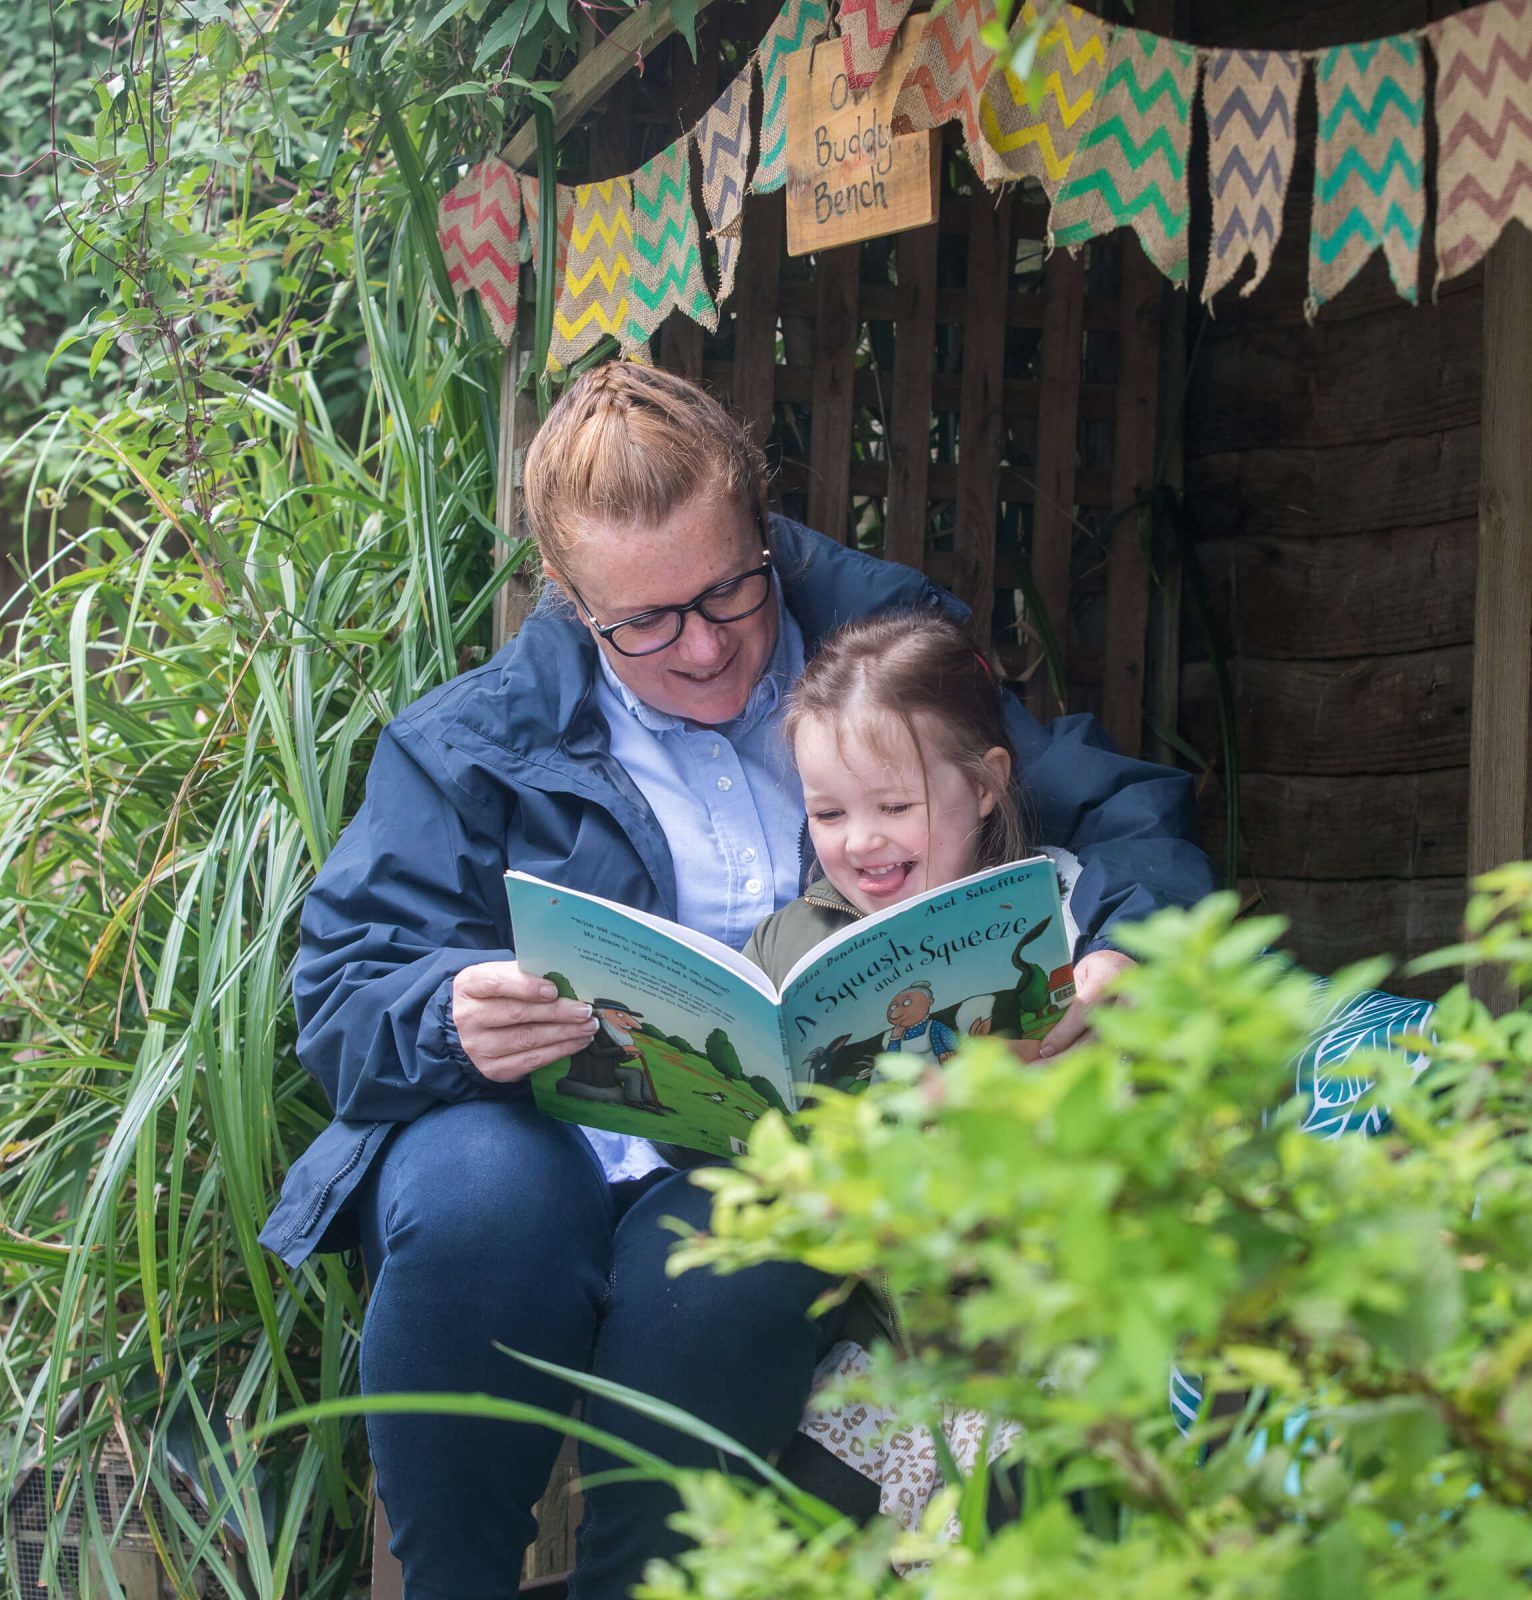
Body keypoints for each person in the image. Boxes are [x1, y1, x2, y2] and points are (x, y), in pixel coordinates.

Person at [257, 363, 1212, 1600]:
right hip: (530, 1126)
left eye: (727, 591)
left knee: (735, 1255)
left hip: (756, 1149)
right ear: (568, 596)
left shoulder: (876, 664)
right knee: (479, 1208)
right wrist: (447, 1011)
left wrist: (1126, 949)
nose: (703, 646)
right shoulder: (474, 741)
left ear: (763, 527)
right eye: (645, 623)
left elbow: (1118, 812)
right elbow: (342, 988)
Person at [744, 609, 1084, 1534]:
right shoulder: (789, 944)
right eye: (828, 812)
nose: (860, 841)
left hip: (1034, 1323)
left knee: (1007, 1521)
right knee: (797, 1532)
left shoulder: (1058, 919)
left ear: (984, 787)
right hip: (880, 1333)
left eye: (894, 807)